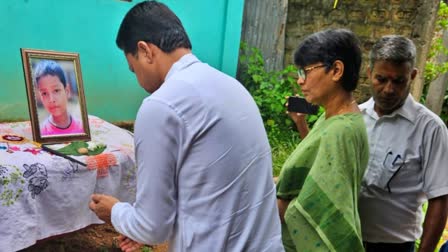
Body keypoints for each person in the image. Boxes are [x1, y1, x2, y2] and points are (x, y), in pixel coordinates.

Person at [88, 1, 284, 252]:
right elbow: (209, 190)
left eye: (133, 68)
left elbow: (152, 227)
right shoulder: (232, 86)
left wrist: (115, 211)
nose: (137, 79)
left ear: (145, 50)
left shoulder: (161, 105)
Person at [276, 28, 369, 251]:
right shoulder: (333, 118)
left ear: (336, 70)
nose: (300, 81)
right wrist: (301, 124)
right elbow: (317, 167)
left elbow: (325, 207)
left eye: (305, 71)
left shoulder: (341, 130)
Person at [359, 35, 448, 252]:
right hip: (349, 239)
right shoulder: (355, 118)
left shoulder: (430, 129)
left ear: (413, 76)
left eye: (398, 81)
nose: (389, 89)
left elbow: (440, 199)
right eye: (381, 79)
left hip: (395, 246)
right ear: (369, 73)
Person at [34, 60, 84, 136]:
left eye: (56, 90)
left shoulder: (82, 128)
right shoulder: (41, 132)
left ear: (67, 91)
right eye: (44, 93)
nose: (51, 99)